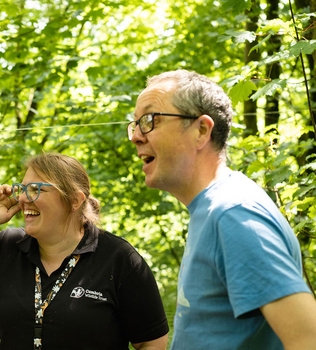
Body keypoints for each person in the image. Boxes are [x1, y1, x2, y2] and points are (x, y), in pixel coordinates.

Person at [128, 69, 316, 350]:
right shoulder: (212, 209)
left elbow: (307, 339)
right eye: (135, 124)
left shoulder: (233, 214)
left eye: (149, 120)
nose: (136, 137)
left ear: (201, 130)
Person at [0, 152, 169, 350]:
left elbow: (152, 342)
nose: (24, 199)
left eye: (36, 189)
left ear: (74, 200)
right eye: (22, 189)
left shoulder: (119, 258)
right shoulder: (7, 246)